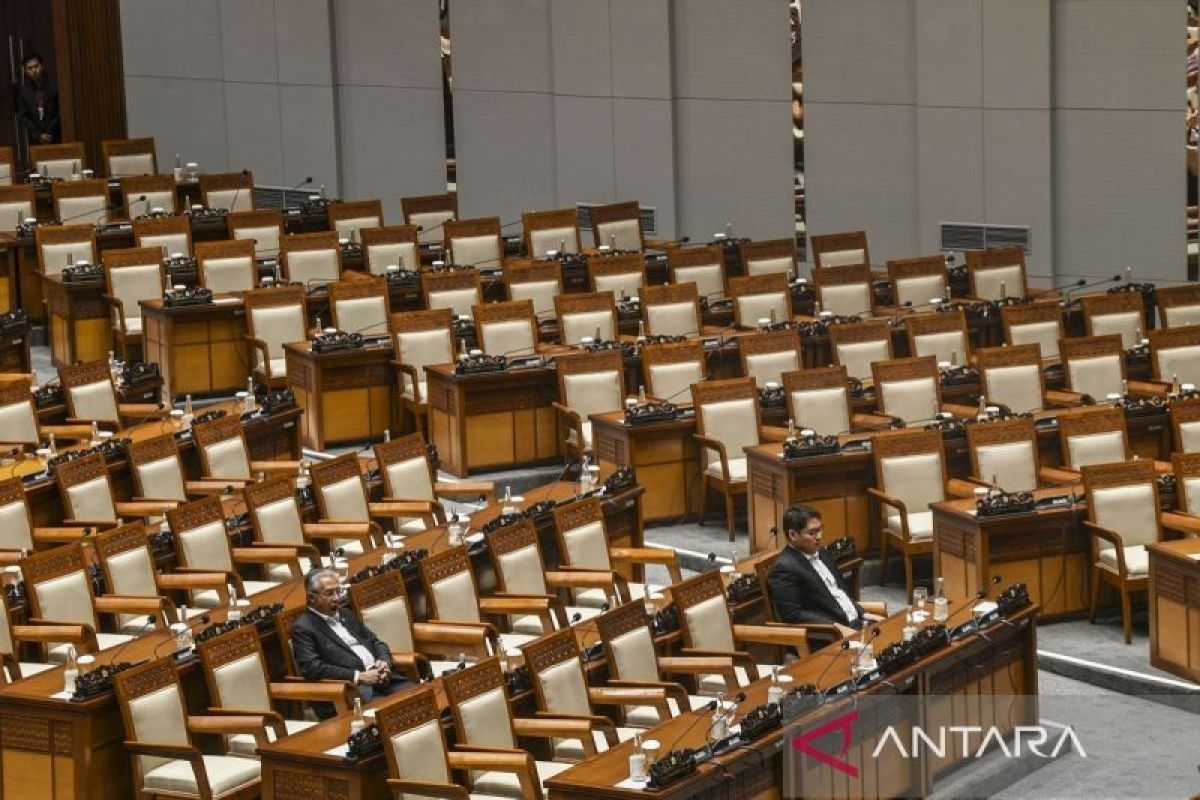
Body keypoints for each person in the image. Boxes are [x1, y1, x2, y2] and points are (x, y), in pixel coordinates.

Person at [291, 567, 412, 718]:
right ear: (311, 598)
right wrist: (359, 676)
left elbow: (375, 642)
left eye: (338, 591)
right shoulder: (303, 628)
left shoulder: (346, 614)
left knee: (420, 700)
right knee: (394, 716)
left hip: (384, 679)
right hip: (352, 691)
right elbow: (313, 668)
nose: (337, 598)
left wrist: (384, 661)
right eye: (329, 593)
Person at [767, 504, 882, 638]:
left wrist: (864, 614)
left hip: (855, 623)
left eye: (820, 530)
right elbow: (792, 615)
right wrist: (835, 627)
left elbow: (838, 592)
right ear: (793, 535)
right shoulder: (783, 568)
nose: (819, 536)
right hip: (829, 635)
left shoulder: (822, 552)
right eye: (812, 533)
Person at [16, 54, 60, 147]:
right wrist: (38, 135)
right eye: (29, 68)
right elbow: (24, 116)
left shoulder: (55, 85)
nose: (34, 70)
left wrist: (50, 131)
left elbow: (60, 111)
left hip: (57, 135)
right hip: (36, 139)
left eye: (36, 66)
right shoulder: (24, 91)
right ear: (25, 71)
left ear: (42, 66)